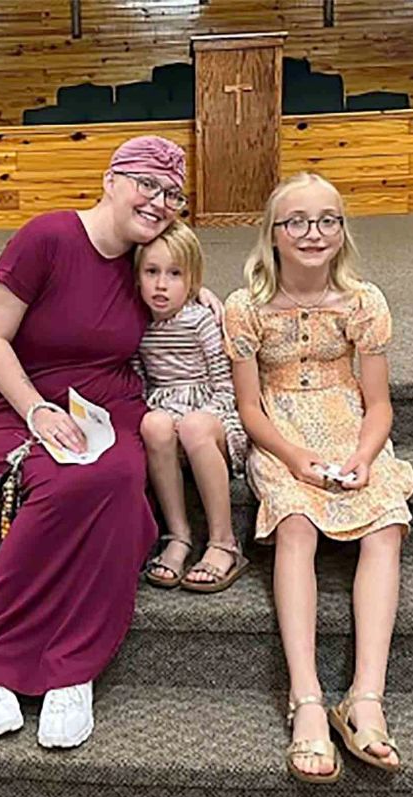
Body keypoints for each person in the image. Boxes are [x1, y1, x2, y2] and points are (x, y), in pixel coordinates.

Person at [0, 135, 214, 749]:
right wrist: (37, 410)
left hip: (112, 403)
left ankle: (72, 668)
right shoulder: (46, 237)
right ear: (111, 179)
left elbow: (176, 280)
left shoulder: (144, 257)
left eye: (173, 193)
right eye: (147, 184)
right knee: (66, 482)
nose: (159, 201)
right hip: (28, 399)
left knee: (120, 482)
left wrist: (202, 293)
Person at [223, 172, 413, 783]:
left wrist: (364, 454)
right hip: (282, 428)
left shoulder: (364, 301)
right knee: (298, 523)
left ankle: (365, 698)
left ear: (342, 231)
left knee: (386, 524)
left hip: (346, 420)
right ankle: (306, 698)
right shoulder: (246, 307)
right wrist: (291, 456)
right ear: (273, 235)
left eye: (327, 220)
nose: (313, 233)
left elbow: (380, 404)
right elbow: (250, 409)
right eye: (297, 222)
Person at [133, 221, 249, 593]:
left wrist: (192, 418)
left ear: (193, 279)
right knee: (153, 424)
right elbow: (139, 382)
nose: (161, 285)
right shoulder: (136, 323)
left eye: (174, 274)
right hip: (164, 410)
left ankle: (224, 541)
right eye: (151, 272)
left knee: (196, 426)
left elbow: (225, 386)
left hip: (210, 417)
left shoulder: (201, 320)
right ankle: (178, 536)